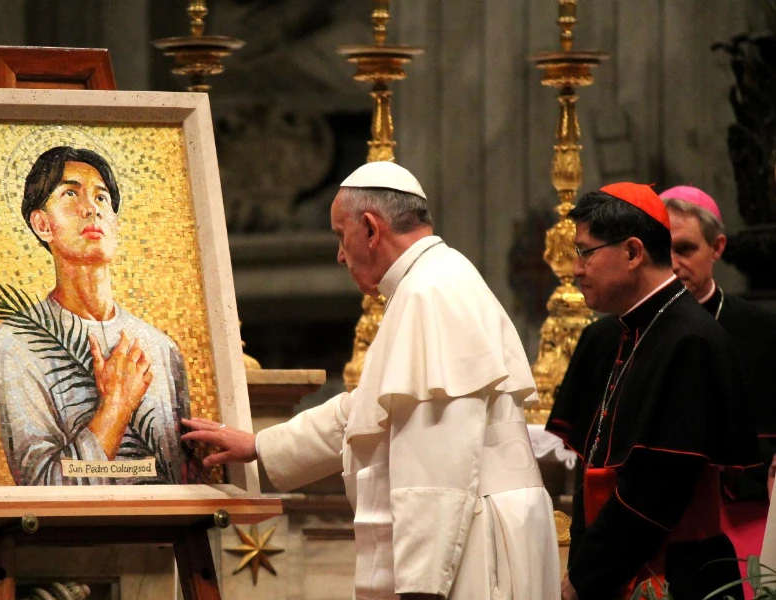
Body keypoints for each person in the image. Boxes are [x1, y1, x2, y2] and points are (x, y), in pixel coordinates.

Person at [183, 161, 560, 599]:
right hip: (474, 527)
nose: (340, 255)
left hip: (470, 542)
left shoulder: (429, 292)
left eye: (341, 236)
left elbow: (438, 459)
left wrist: (421, 585)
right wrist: (260, 446)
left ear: (370, 228)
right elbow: (363, 410)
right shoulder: (434, 281)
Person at [550, 184, 776, 595]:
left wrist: (585, 578)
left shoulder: (688, 340)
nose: (576, 269)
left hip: (672, 575)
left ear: (633, 253)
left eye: (585, 252)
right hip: (624, 568)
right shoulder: (633, 329)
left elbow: (654, 493)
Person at [0, 146, 200, 486]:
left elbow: (185, 478)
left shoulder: (161, 349)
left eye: (102, 198)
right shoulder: (18, 343)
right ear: (42, 224)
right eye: (70, 193)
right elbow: (44, 486)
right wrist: (116, 407)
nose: (91, 209)